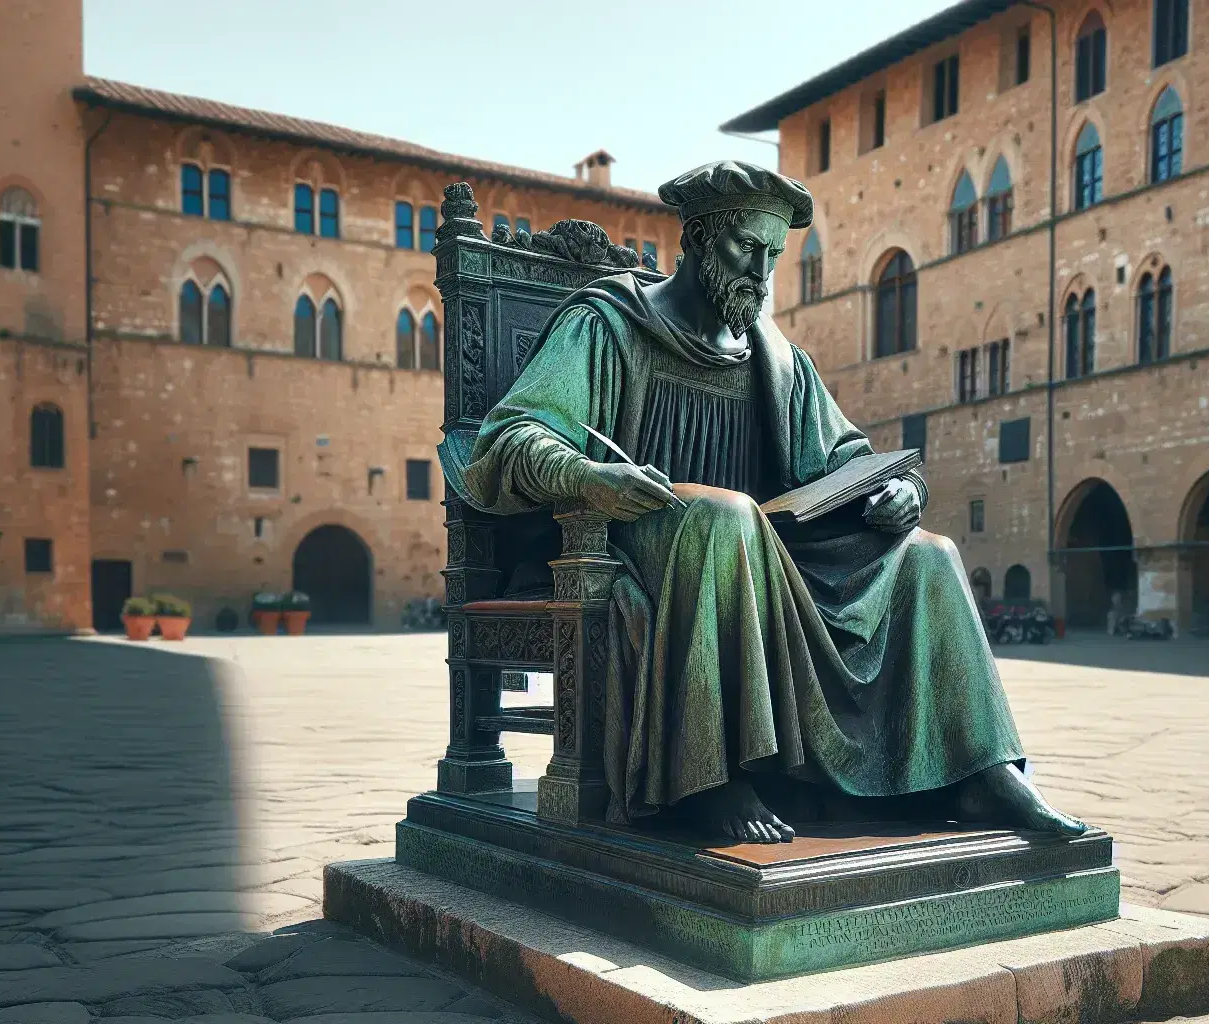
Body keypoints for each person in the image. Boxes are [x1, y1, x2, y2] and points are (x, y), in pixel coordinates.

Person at [462, 161, 1083, 844]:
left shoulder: (776, 359)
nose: (761, 273)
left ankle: (980, 769)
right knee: (728, 516)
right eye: (745, 249)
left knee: (930, 556)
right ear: (697, 239)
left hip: (767, 552)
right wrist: (590, 477)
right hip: (640, 538)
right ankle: (707, 778)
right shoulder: (608, 326)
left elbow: (850, 458)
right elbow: (509, 439)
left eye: (773, 257)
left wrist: (901, 491)